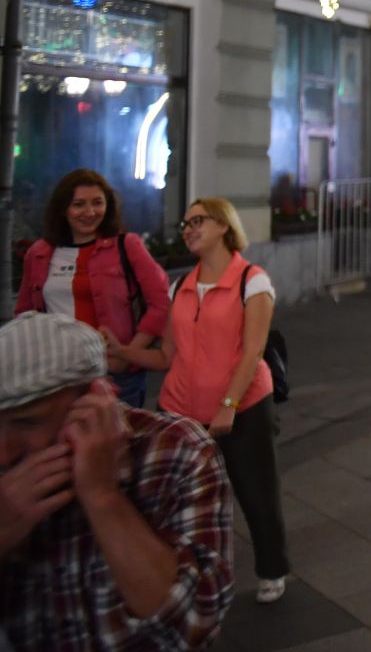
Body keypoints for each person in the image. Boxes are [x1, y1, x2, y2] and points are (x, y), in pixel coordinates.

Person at [0, 313, 233, 649]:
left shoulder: (176, 451)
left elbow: (192, 629)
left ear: (95, 399)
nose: (4, 454)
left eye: (27, 422)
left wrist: (103, 496)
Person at [110, 198, 291, 604]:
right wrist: (122, 352)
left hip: (244, 408)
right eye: (185, 223)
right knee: (179, 499)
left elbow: (252, 351)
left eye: (198, 221)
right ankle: (185, 572)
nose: (188, 229)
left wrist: (228, 404)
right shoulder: (181, 287)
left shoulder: (252, 280)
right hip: (181, 411)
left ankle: (272, 568)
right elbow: (166, 357)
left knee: (257, 494)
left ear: (224, 226)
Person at [13, 169, 171, 408]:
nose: (90, 212)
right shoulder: (39, 253)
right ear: (63, 209)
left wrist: (127, 354)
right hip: (58, 376)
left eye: (98, 203)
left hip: (116, 376)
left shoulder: (127, 246)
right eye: (79, 204)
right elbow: (26, 315)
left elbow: (161, 303)